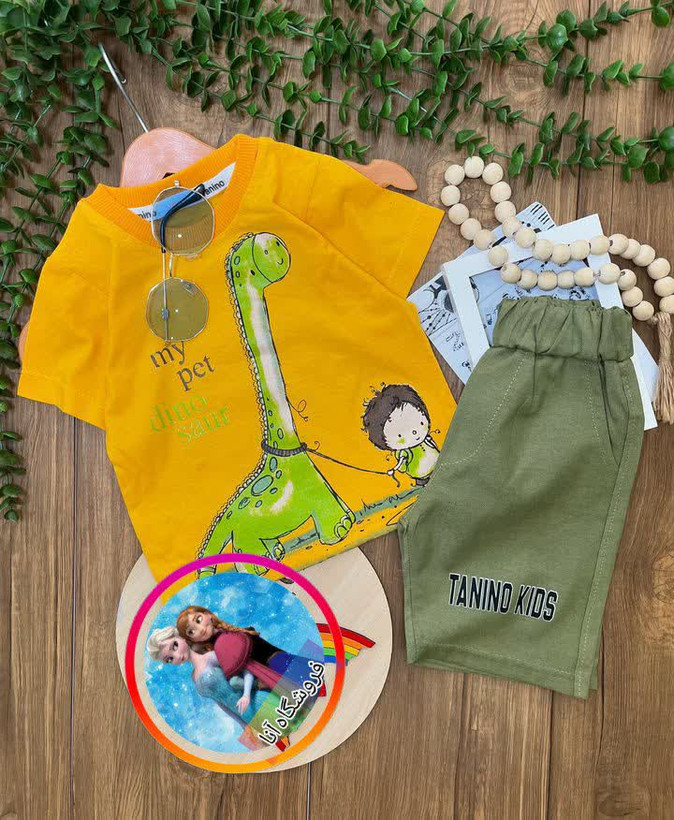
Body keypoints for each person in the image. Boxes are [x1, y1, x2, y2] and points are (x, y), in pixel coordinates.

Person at [362, 383, 439, 486]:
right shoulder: (404, 452)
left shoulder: (425, 439)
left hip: (440, 465)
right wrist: (394, 469)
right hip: (421, 475)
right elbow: (401, 462)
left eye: (420, 423)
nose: (414, 433)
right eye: (399, 436)